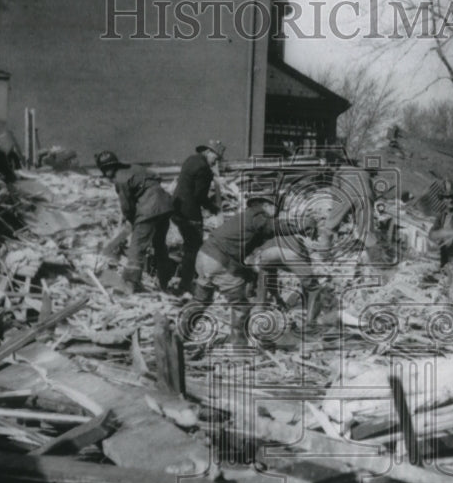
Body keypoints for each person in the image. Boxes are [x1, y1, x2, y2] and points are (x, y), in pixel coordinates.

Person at [181, 191, 300, 346]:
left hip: (204, 256)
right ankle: (239, 349)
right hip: (218, 260)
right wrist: (300, 226)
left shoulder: (245, 217)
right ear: (266, 205)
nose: (275, 214)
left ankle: (178, 336)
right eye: (275, 210)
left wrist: (255, 279)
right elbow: (273, 228)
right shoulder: (258, 215)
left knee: (200, 300)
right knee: (241, 308)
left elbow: (246, 257)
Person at [95, 150, 174, 294]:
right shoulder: (134, 168)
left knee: (136, 248)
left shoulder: (120, 179)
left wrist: (132, 221)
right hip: (166, 205)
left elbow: (127, 207)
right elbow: (157, 178)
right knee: (159, 244)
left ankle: (130, 284)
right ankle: (165, 281)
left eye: (107, 169)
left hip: (150, 208)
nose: (107, 173)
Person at [170, 139, 224, 293]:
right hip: (190, 213)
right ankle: (186, 285)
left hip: (177, 209)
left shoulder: (190, 160)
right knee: (193, 249)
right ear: (208, 152)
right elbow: (199, 196)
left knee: (187, 246)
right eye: (216, 158)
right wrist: (214, 209)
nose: (215, 162)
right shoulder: (204, 170)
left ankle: (184, 278)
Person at [316, 159, 376, 256]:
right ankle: (375, 257)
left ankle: (324, 251)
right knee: (367, 226)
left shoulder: (338, 173)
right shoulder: (365, 173)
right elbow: (372, 194)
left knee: (331, 224)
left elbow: (336, 194)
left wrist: (338, 213)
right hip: (366, 196)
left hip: (347, 194)